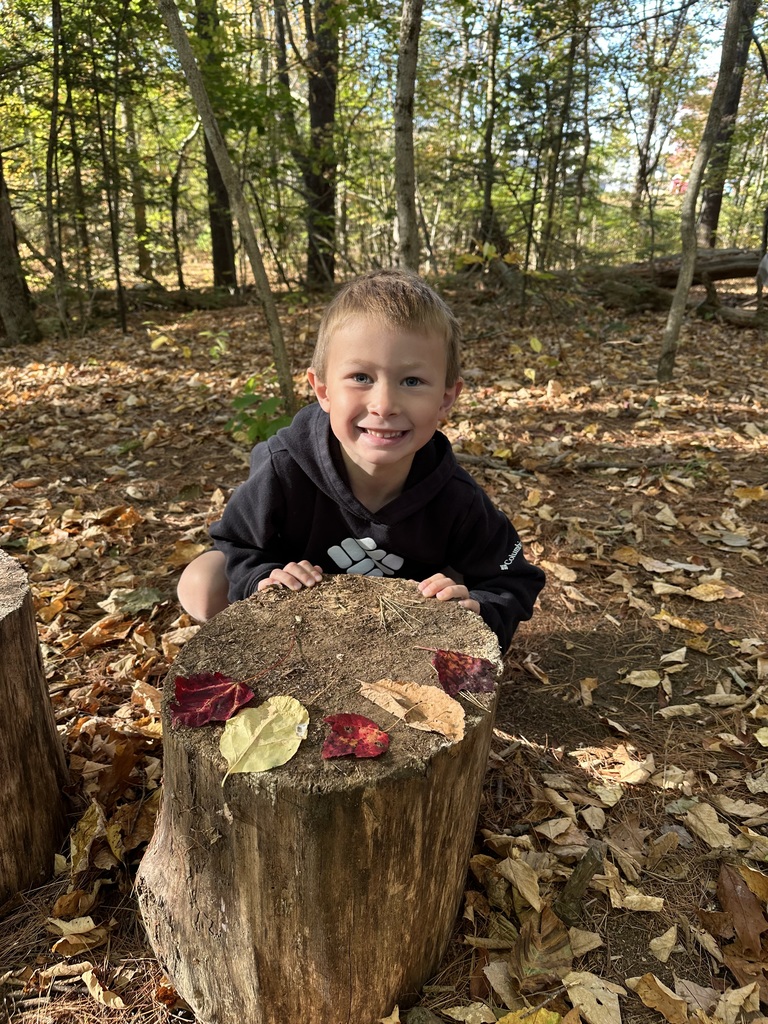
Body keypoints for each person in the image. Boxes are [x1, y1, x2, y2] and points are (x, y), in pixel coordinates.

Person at [178, 269, 544, 651]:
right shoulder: (283, 468)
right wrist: (264, 579)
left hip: (400, 632)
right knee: (203, 580)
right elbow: (237, 542)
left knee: (458, 582)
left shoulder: (456, 499)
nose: (384, 405)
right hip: (301, 612)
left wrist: (475, 611)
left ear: (446, 398)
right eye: (360, 377)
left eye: (412, 381)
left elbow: (513, 579)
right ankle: (269, 649)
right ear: (322, 390)